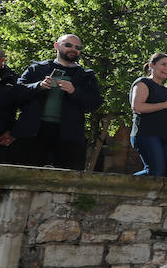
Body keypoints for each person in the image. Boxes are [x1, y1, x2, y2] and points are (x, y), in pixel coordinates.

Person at [14, 34, 102, 170]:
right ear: (56, 46)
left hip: (68, 135)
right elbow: (16, 94)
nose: (73, 49)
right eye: (68, 45)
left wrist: (75, 91)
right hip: (33, 132)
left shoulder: (86, 76)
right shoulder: (36, 69)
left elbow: (95, 103)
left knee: (67, 178)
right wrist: (39, 86)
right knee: (25, 174)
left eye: (78, 47)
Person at [129, 52, 167, 177]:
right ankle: (120, 185)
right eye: (163, 64)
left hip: (165, 136)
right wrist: (166, 105)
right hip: (146, 133)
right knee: (155, 171)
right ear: (151, 65)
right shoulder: (143, 83)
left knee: (160, 173)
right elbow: (137, 107)